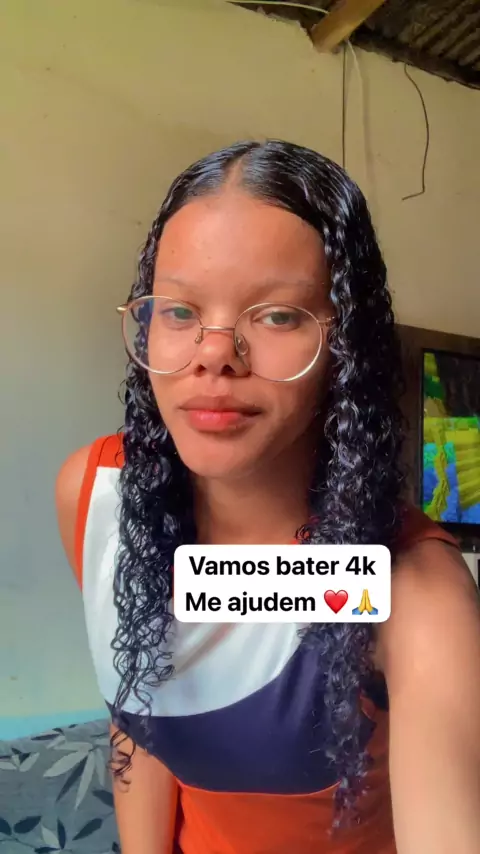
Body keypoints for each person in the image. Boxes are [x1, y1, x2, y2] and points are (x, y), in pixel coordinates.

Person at [55, 140, 480, 854]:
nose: (214, 353)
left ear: (346, 347)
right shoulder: (99, 495)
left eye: (277, 316)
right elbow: (143, 714)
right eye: (179, 310)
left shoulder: (411, 593)